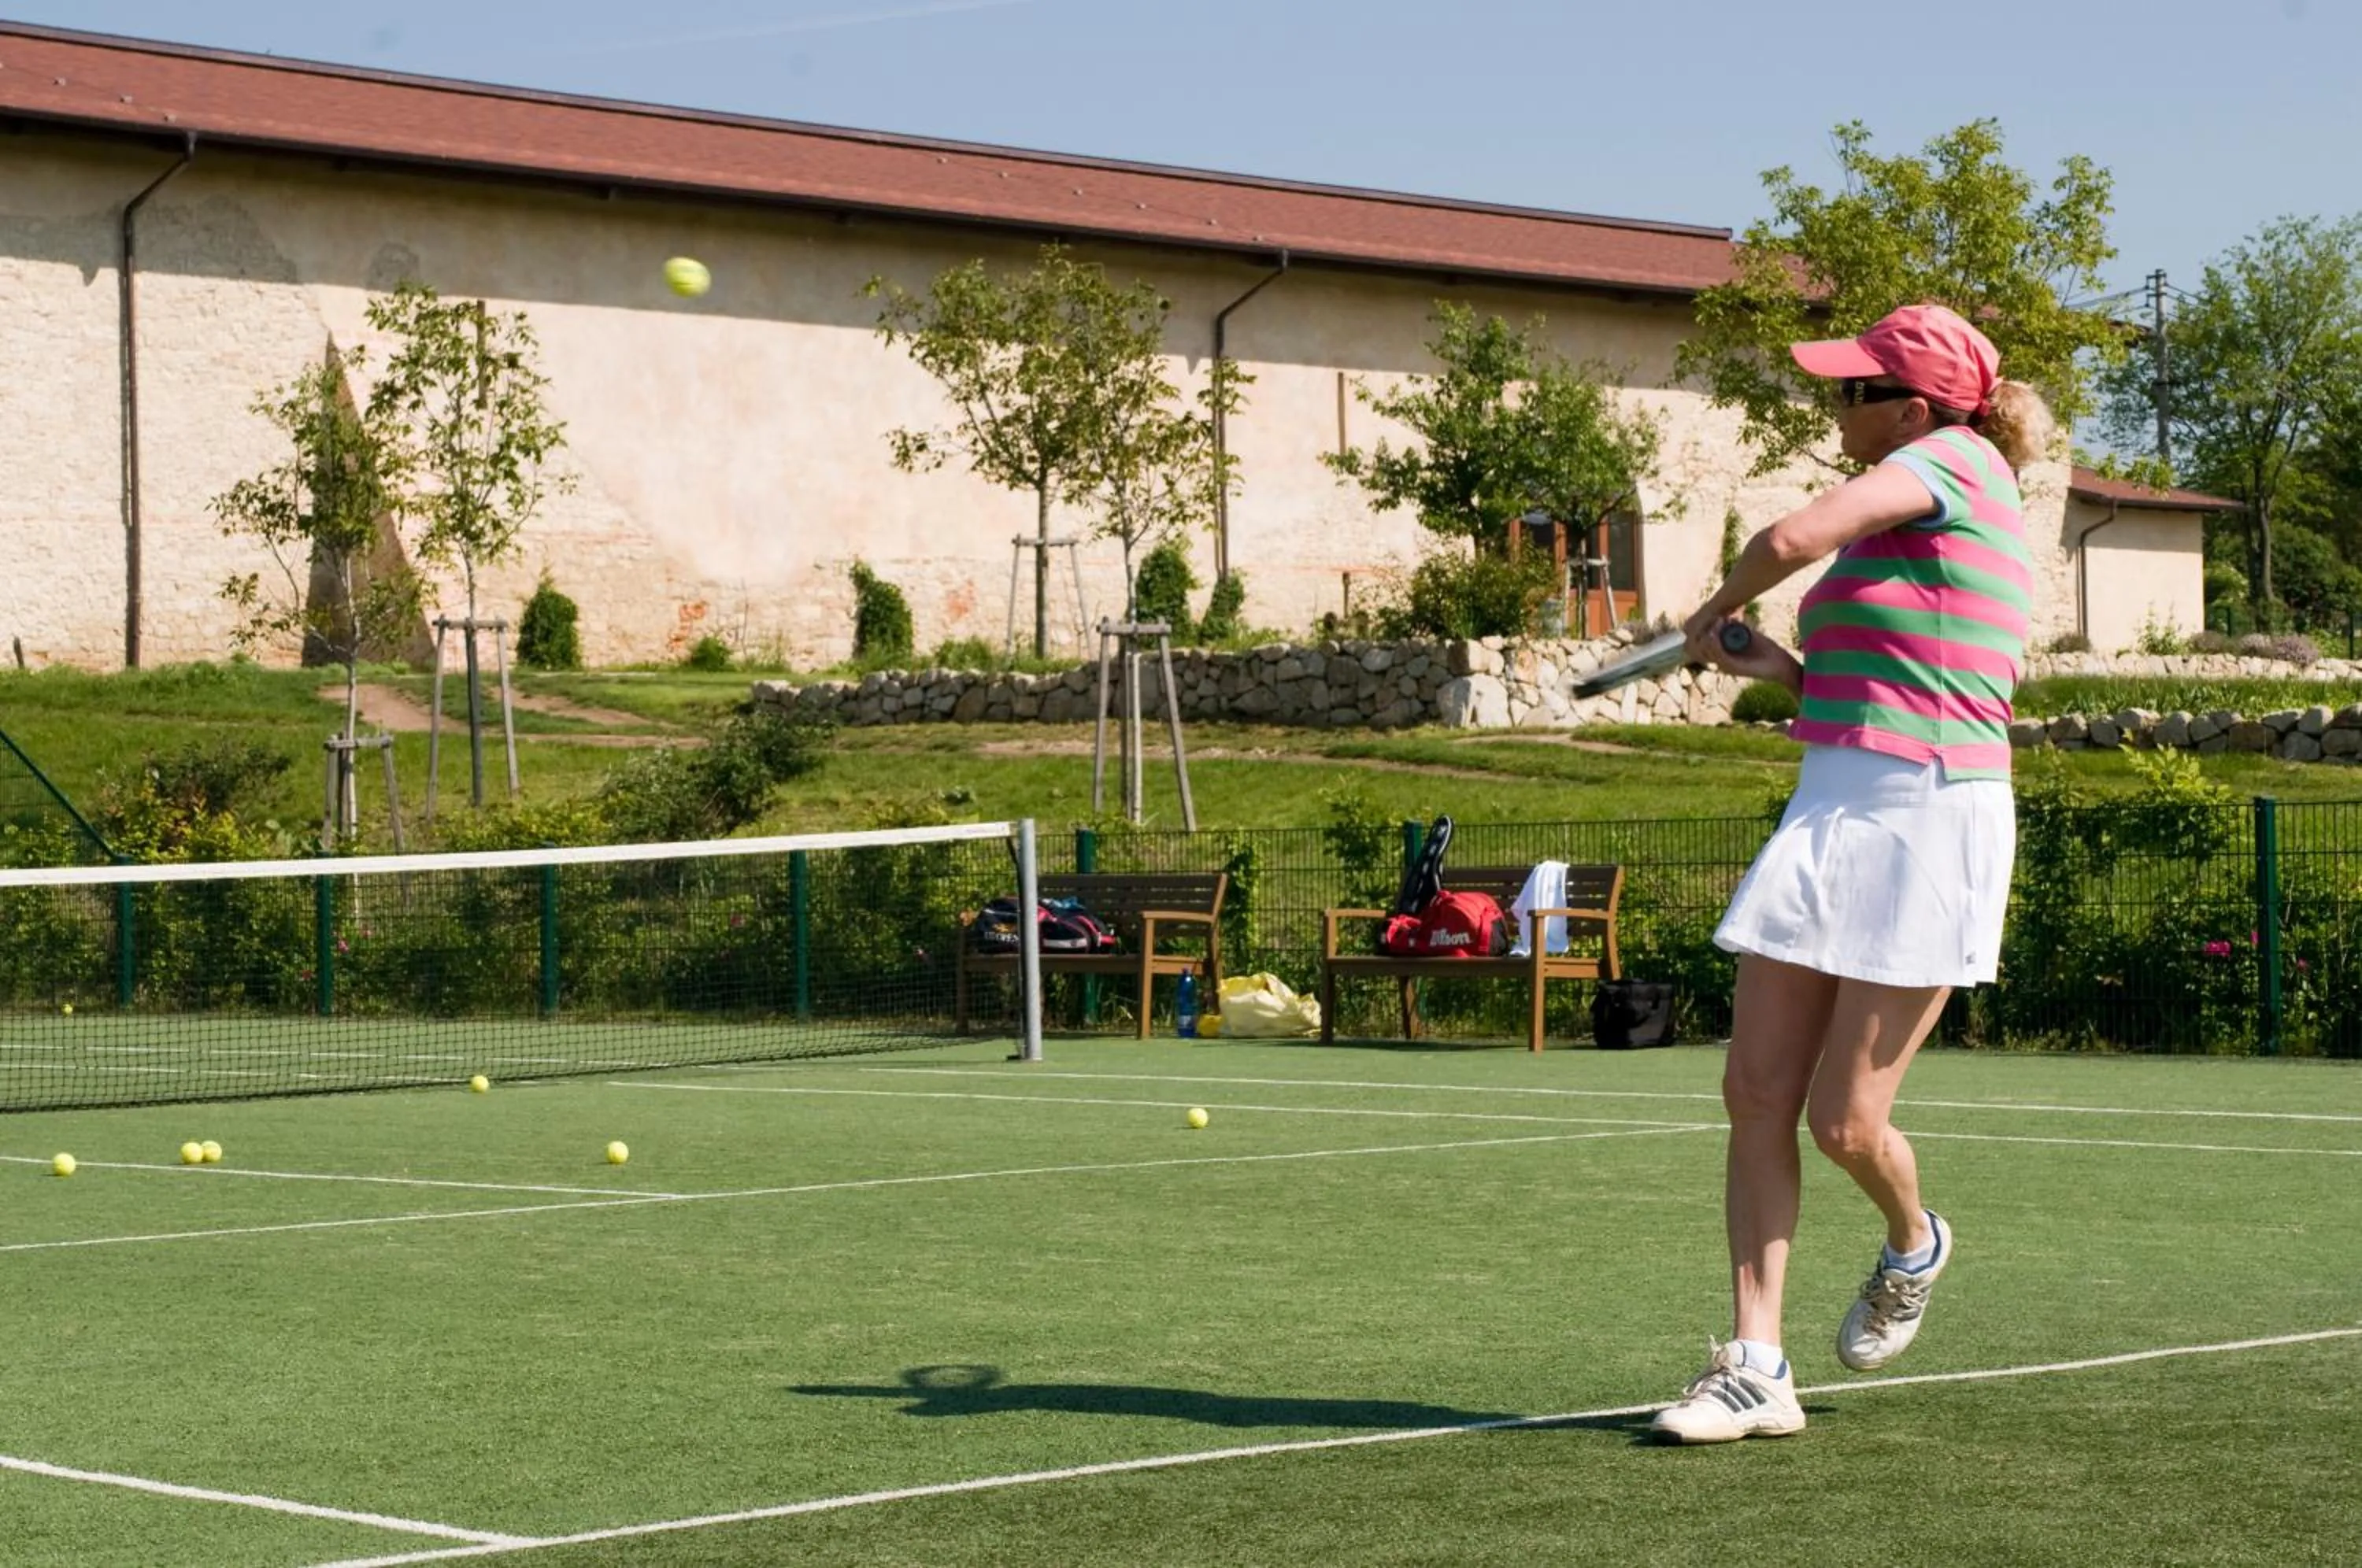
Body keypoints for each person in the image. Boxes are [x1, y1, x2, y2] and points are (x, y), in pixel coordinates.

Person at [1648, 302, 2057, 1444]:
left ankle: (1913, 1243)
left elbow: (1787, 540)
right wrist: (1769, 662)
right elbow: (1865, 683)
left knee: (1844, 1122)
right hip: (1835, 797)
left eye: (1852, 391)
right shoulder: (1908, 525)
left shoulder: (1959, 461)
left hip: (1933, 815)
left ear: (1917, 408)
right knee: (1754, 1094)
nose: (1836, 408)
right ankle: (1754, 1366)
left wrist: (1716, 606)